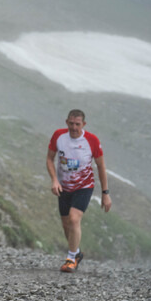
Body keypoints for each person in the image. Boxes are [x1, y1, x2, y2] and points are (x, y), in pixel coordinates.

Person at [46, 109, 111, 272]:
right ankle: (77, 253)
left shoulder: (92, 140)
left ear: (84, 124)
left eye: (78, 124)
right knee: (66, 225)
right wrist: (54, 180)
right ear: (66, 122)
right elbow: (49, 159)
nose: (74, 127)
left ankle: (70, 259)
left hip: (84, 186)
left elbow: (101, 166)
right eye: (71, 123)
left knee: (74, 219)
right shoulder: (58, 136)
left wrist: (105, 193)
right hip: (64, 187)